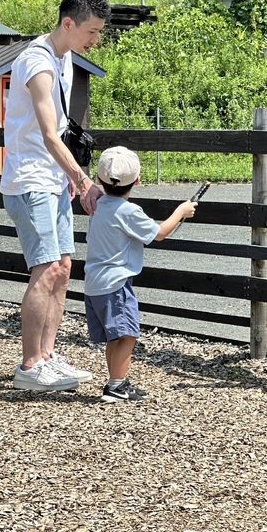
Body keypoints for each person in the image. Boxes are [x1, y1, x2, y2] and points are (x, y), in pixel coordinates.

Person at [1, 0, 111, 392]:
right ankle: (30, 365)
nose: (95, 40)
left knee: (63, 269)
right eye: (92, 31)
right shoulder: (37, 61)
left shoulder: (63, 58)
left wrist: (67, 176)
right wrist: (82, 178)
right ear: (69, 23)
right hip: (30, 179)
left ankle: (47, 356)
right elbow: (49, 134)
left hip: (52, 180)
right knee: (46, 270)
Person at [84, 147, 197, 402]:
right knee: (128, 334)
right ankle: (115, 387)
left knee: (115, 335)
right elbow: (159, 233)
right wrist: (181, 212)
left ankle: (117, 381)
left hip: (94, 283)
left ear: (100, 180)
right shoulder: (128, 211)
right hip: (116, 284)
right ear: (136, 181)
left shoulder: (98, 205)